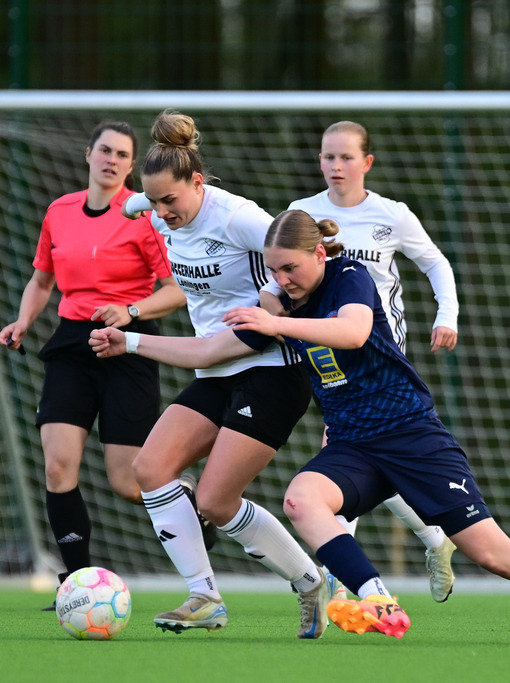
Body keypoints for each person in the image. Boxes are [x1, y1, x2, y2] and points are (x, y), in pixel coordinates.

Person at [89, 209, 510, 646]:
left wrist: (277, 319)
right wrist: (131, 341)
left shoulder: (349, 275)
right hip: (354, 443)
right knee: (302, 499)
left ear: (320, 253)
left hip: (411, 434)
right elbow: (208, 348)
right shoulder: (280, 304)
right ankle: (379, 598)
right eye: (274, 269)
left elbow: (354, 332)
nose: (283, 278)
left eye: (292, 267)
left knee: (491, 551)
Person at [117, 110, 330, 638]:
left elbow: (298, 250)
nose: (163, 213)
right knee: (149, 469)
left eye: (171, 201)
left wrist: (274, 299)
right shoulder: (158, 204)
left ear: (198, 182)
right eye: (155, 202)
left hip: (270, 368)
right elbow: (133, 202)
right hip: (216, 369)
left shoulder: (239, 217)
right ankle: (203, 595)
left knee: (214, 500)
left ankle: (308, 581)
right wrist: (133, 204)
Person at [0, 121, 186, 609]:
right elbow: (42, 281)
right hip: (72, 346)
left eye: (123, 155)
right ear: (88, 154)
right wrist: (21, 321)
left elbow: (175, 291)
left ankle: (196, 506)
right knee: (59, 467)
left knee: (128, 481)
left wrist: (131, 311)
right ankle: (76, 584)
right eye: (105, 150)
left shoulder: (144, 217)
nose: (112, 160)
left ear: (131, 165)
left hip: (127, 346)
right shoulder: (59, 212)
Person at [286, 120, 460, 602]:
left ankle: (346, 590)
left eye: (345, 157)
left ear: (367, 163)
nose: (335, 166)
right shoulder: (302, 214)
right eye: (327, 157)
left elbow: (435, 262)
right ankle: (430, 539)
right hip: (323, 352)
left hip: (378, 360)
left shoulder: (392, 214)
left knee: (341, 456)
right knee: (351, 464)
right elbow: (276, 269)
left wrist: (448, 314)